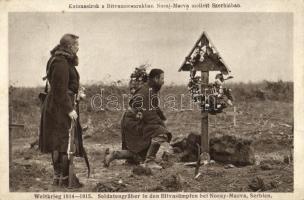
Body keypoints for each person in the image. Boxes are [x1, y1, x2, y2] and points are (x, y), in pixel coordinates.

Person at [39, 34, 87, 188]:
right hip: (59, 108)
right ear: (68, 46)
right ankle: (63, 180)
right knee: (63, 144)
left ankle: (59, 179)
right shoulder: (60, 62)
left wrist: (77, 93)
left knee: (58, 143)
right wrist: (69, 109)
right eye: (76, 44)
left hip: (56, 106)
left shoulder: (60, 59)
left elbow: (64, 86)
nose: (78, 47)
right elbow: (59, 90)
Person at [104, 69, 172, 169]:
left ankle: (113, 154)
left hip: (133, 119)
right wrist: (161, 125)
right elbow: (148, 114)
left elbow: (154, 107)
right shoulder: (146, 91)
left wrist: (162, 118)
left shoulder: (149, 89)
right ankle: (150, 161)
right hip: (133, 121)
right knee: (161, 134)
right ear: (155, 79)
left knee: (138, 153)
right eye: (162, 78)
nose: (163, 81)